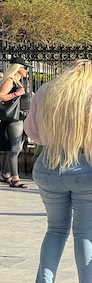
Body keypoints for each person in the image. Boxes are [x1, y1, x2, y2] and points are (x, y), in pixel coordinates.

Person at [24, 60, 92, 283]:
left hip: (49, 162)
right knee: (85, 231)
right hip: (87, 163)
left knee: (55, 229)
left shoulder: (47, 90)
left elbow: (32, 132)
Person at [1, 59, 30, 187]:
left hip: (21, 117)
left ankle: (6, 174)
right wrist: (16, 94)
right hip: (14, 118)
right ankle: (15, 178)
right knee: (15, 149)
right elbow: (1, 96)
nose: (27, 71)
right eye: (25, 68)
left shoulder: (18, 81)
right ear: (18, 68)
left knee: (15, 148)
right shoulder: (10, 81)